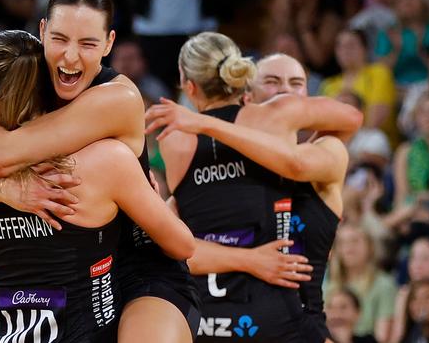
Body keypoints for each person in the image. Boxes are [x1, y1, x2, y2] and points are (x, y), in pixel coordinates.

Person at [0, 0, 201, 342]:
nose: (71, 56)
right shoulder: (25, 85)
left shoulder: (116, 97)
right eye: (60, 39)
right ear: (42, 32)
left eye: (87, 43)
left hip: (138, 268)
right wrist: (4, 188)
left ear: (109, 43)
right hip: (68, 282)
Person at [144, 31, 362, 342]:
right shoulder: (277, 117)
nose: (284, 92)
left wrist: (204, 123)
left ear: (188, 86)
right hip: (260, 318)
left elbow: (304, 156)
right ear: (246, 84)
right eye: (273, 82)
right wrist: (250, 259)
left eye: (295, 84)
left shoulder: (175, 141)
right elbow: (351, 117)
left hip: (243, 322)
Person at [325, 223, 397, 342]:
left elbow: (382, 338)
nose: (349, 247)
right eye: (342, 242)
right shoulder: (327, 282)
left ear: (370, 246)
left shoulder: (384, 284)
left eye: (355, 241)